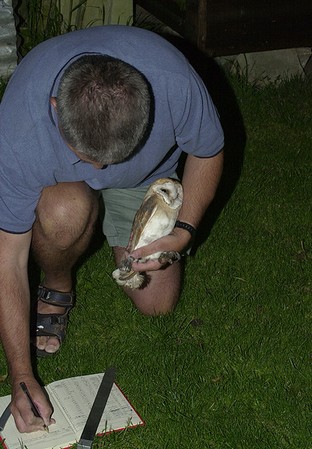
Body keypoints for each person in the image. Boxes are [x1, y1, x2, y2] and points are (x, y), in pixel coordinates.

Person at [0, 25, 224, 432]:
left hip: (145, 181)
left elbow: (208, 151)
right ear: (55, 106)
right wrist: (20, 373)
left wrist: (185, 229)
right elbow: (8, 260)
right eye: (88, 157)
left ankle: (113, 220)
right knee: (66, 212)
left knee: (157, 302)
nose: (100, 170)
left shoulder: (174, 82)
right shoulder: (19, 129)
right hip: (62, 188)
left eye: (109, 157)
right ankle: (58, 282)